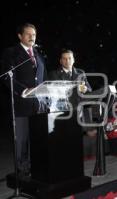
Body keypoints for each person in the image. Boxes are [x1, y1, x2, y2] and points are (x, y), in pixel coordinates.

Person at [1, 23, 47, 175]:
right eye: (28, 34)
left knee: (37, 139)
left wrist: (46, 95)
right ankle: (22, 172)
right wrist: (23, 90)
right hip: (21, 104)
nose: (32, 37)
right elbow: (7, 77)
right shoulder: (12, 53)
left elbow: (43, 77)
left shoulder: (38, 54)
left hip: (39, 105)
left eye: (33, 34)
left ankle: (37, 167)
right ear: (20, 36)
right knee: (22, 141)